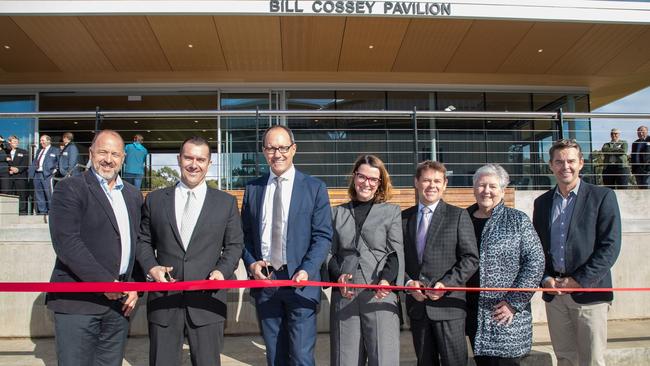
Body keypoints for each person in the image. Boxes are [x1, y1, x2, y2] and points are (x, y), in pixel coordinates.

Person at [136, 136, 244, 366]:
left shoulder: (225, 203)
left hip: (207, 301)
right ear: (179, 159)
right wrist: (151, 267)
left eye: (200, 159)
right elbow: (143, 241)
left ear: (209, 163)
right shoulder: (155, 200)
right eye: (188, 158)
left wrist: (221, 272)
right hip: (164, 301)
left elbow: (235, 245)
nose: (194, 164)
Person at [47, 129, 143, 366]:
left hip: (118, 304)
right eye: (102, 152)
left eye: (115, 154)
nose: (108, 159)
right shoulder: (70, 187)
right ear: (90, 153)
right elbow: (66, 242)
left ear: (123, 158)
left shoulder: (132, 195)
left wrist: (136, 286)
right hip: (78, 304)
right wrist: (103, 282)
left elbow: (138, 243)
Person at [241, 125, 333, 366]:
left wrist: (307, 269)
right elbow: (245, 236)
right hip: (266, 283)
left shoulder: (315, 188)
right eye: (271, 148)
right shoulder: (253, 189)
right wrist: (251, 265)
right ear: (263, 151)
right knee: (275, 356)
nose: (277, 154)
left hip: (301, 284)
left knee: (302, 357)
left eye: (283, 147)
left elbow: (323, 236)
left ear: (294, 149)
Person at [533, 139, 621, 366]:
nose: (565, 167)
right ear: (550, 165)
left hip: (590, 294)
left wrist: (578, 280)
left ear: (581, 163)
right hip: (556, 296)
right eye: (559, 162)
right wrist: (545, 278)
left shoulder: (602, 197)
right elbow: (538, 248)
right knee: (564, 359)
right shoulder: (541, 203)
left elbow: (610, 247)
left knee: (592, 360)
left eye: (571, 161)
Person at [328, 154, 404, 366]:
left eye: (373, 179)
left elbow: (395, 252)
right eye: (362, 177)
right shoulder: (336, 213)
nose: (367, 183)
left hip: (380, 293)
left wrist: (387, 281)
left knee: (384, 358)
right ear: (354, 177)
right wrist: (338, 276)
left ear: (380, 183)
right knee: (346, 359)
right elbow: (329, 252)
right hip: (345, 294)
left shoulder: (391, 211)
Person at [465, 164, 544, 366]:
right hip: (471, 313)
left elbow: (535, 262)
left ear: (503, 190)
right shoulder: (461, 219)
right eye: (481, 185)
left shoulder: (518, 220)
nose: (486, 191)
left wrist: (513, 302)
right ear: (474, 188)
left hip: (504, 313)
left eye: (492, 186)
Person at [402, 160, 478, 366]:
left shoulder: (458, 215)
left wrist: (447, 284)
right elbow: (397, 260)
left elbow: (470, 258)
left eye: (437, 181)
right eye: (426, 180)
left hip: (449, 306)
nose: (431, 185)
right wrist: (409, 285)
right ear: (416, 182)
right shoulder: (403, 218)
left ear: (445, 184)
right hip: (417, 306)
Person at [28, 135, 59, 215]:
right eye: (41, 140)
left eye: (43, 140)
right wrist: (31, 172)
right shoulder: (39, 151)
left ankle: (51, 211)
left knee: (48, 193)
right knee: (39, 194)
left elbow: (59, 162)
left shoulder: (55, 150)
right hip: (37, 174)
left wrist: (53, 171)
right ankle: (42, 211)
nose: (41, 142)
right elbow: (35, 162)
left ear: (49, 141)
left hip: (47, 175)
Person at [6, 136, 30, 214]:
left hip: (20, 177)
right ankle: (11, 212)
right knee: (10, 195)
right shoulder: (6, 152)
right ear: (9, 142)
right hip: (9, 177)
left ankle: (22, 212)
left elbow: (25, 163)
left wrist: (18, 169)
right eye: (14, 142)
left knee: (22, 195)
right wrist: (9, 169)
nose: (16, 143)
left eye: (17, 142)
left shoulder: (24, 152)